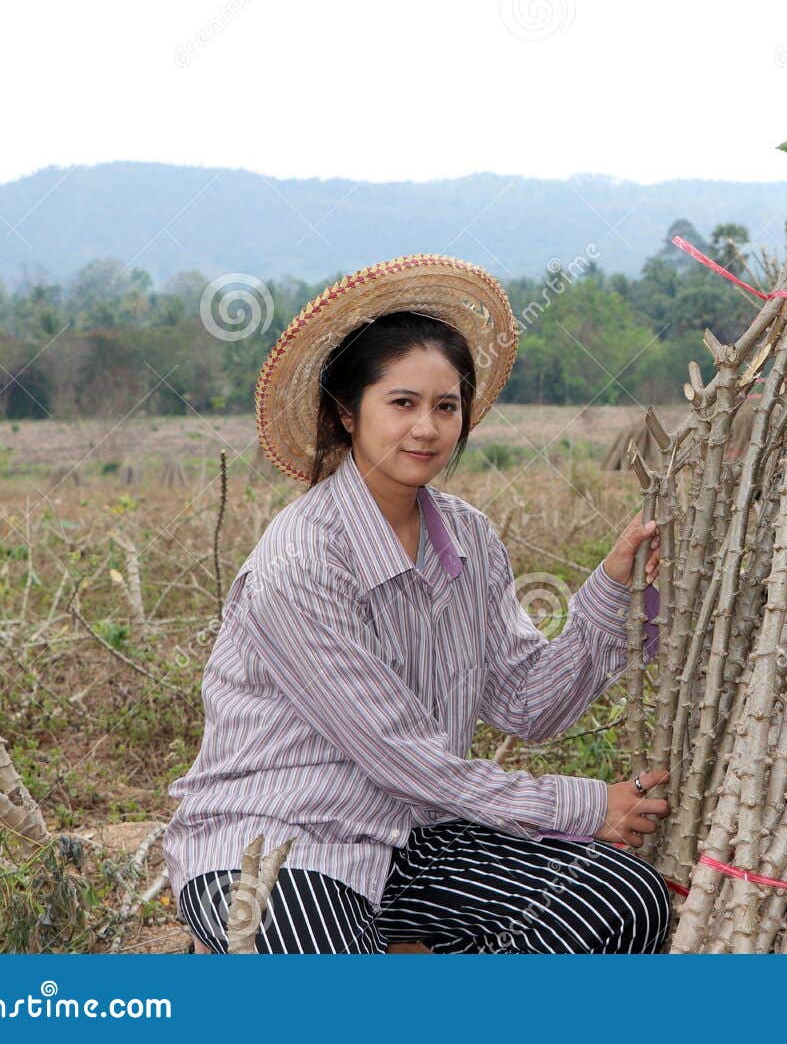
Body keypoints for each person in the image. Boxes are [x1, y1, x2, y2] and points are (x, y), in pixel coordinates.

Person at [163, 252, 674, 953]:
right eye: (402, 403)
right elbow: (403, 755)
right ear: (348, 413)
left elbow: (529, 700)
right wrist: (584, 804)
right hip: (270, 845)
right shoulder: (300, 562)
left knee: (620, 897)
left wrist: (617, 588)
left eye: (445, 406)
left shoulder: (467, 536)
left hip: (415, 836)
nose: (427, 429)